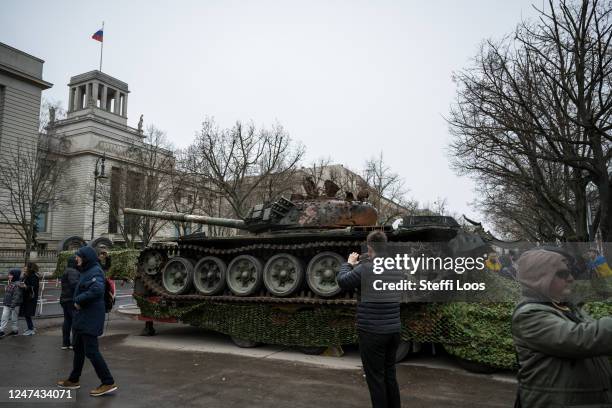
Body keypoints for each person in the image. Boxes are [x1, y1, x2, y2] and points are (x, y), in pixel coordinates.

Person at [512, 248, 612, 407]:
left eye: (570, 273)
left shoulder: (566, 306)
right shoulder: (529, 315)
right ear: (540, 278)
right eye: (563, 274)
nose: (571, 278)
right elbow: (582, 338)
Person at [337, 230, 401, 408]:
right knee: (389, 375)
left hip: (372, 332)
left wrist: (349, 264)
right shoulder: (396, 268)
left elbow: (342, 282)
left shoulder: (365, 268)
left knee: (375, 379)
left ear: (369, 246)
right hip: (393, 330)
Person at [57, 246, 117, 396]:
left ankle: (108, 382)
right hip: (82, 317)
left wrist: (78, 300)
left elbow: (97, 290)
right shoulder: (86, 270)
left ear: (86, 258)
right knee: (78, 349)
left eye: (78, 256)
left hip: (90, 318)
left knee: (91, 351)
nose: (76, 258)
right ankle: (73, 380)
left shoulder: (95, 271)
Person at [60, 256, 80, 349]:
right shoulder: (73, 271)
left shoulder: (67, 270)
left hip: (65, 299)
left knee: (67, 321)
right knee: (74, 321)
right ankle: (74, 343)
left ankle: (65, 343)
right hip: (71, 300)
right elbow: (74, 284)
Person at [18, 262, 40, 336]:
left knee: (28, 313)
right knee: (27, 313)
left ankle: (31, 329)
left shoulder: (33, 276)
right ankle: (31, 327)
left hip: (30, 298)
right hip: (26, 297)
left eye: (26, 266)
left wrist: (25, 286)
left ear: (29, 268)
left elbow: (34, 287)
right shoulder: (27, 275)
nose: (24, 268)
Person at [0, 268, 23, 337]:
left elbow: (16, 297)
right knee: (4, 317)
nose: (9, 276)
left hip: (14, 305)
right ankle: (1, 330)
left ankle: (15, 330)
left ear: (15, 276)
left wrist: (12, 305)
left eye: (11, 275)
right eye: (9, 275)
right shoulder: (11, 283)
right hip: (7, 304)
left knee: (14, 318)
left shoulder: (17, 285)